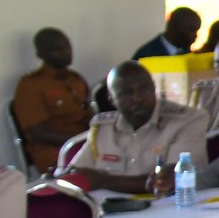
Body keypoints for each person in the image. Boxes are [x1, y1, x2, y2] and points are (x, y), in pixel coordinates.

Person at [64, 62, 209, 195]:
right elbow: (77, 176)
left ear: (154, 87)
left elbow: (175, 180)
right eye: (126, 93)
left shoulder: (188, 120)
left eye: (143, 88)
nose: (137, 98)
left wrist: (104, 181)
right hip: (110, 215)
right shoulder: (102, 129)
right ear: (112, 100)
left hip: (167, 211)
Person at [12, 27, 93, 173]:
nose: (66, 51)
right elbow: (39, 133)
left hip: (85, 146)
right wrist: (82, 141)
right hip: (54, 153)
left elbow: (89, 116)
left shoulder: (76, 79)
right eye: (57, 49)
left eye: (67, 45)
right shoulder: (31, 85)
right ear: (41, 54)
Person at [132, 7, 201, 60]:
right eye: (191, 30)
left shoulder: (187, 54)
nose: (195, 35)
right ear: (174, 27)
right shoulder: (146, 56)